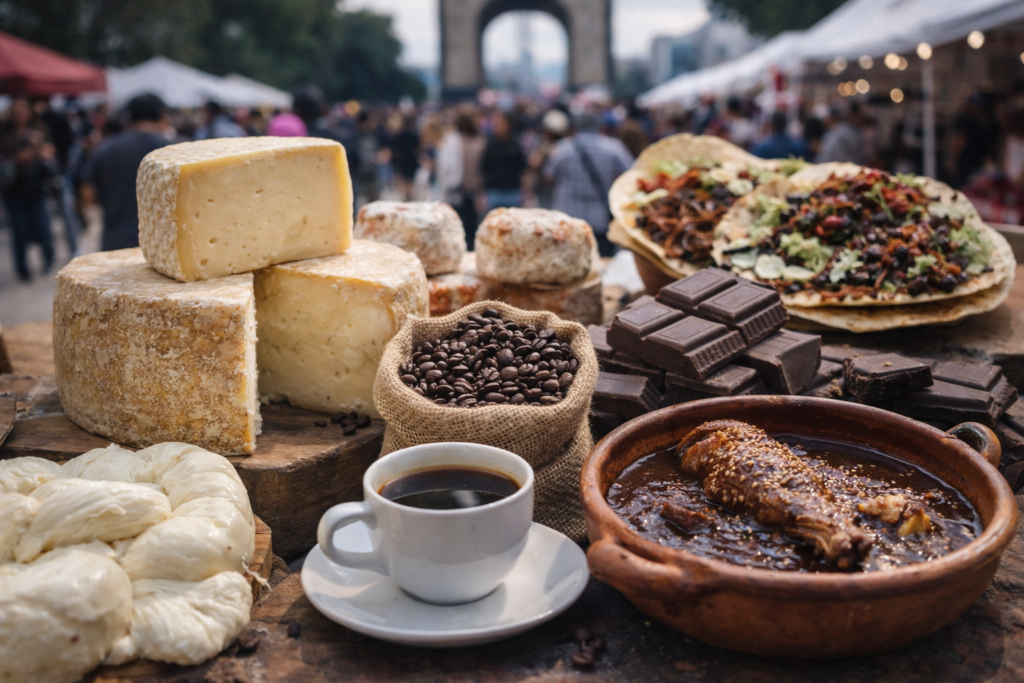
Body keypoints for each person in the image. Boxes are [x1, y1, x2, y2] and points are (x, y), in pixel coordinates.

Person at [82, 93, 171, 251]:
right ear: (161, 115)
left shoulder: (105, 149)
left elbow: (87, 195)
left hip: (117, 241)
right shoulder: (174, 151)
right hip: (165, 244)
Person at [544, 110, 633, 257]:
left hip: (567, 217)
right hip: (600, 217)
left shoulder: (562, 149)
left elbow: (549, 176)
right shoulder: (613, 148)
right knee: (602, 262)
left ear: (576, 127)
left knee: (568, 260)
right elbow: (630, 174)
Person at [0, 97, 56, 281]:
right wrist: (29, 153)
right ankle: (22, 268)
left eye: (22, 111)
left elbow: (49, 152)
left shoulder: (39, 129)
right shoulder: (5, 131)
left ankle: (48, 258)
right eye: (15, 112)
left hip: (36, 186)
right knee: (19, 229)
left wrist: (33, 150)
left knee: (43, 225)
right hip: (13, 188)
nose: (19, 115)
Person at [436, 109, 485, 247]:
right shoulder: (478, 142)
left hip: (460, 193)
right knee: (470, 235)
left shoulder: (451, 141)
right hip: (467, 194)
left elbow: (444, 170)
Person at [481, 111, 526, 210]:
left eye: (502, 124)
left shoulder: (515, 144)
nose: (498, 127)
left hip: (512, 192)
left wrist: (526, 193)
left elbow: (522, 169)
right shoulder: (490, 144)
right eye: (497, 124)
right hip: (494, 191)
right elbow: (484, 167)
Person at [388, 113, 420, 201]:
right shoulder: (414, 134)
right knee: (410, 180)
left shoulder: (398, 135)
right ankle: (409, 196)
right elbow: (418, 148)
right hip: (412, 160)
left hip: (403, 160)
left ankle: (407, 196)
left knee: (405, 180)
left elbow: (395, 150)